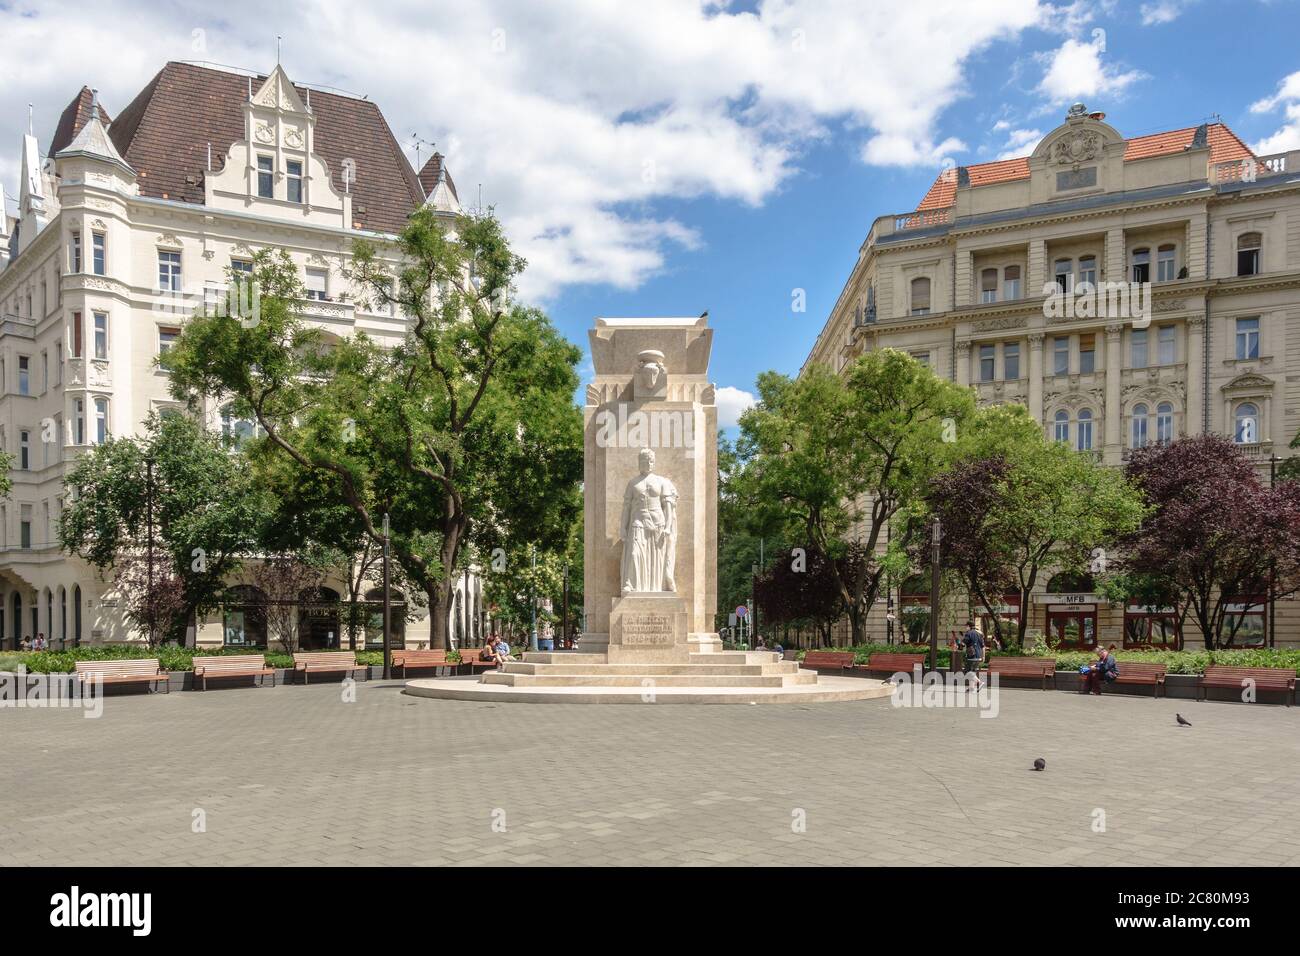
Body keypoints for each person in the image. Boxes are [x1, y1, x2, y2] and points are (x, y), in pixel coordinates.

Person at [960, 620, 985, 688]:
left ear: (968, 626)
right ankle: (971, 687)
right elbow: (983, 646)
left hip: (972, 656)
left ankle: (980, 682)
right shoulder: (979, 634)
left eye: (966, 626)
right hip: (979, 655)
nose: (966, 628)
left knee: (967, 672)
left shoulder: (969, 633)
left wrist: (960, 644)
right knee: (973, 672)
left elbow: (963, 643)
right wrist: (983, 657)